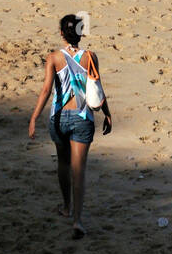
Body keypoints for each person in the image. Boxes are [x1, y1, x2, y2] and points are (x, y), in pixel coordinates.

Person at [28, 14, 112, 239]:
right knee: (79, 171)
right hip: (82, 117)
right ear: (80, 33)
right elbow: (98, 88)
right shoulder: (90, 56)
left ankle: (66, 206)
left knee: (63, 164)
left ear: (62, 33)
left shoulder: (53, 58)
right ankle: (77, 220)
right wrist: (107, 114)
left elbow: (46, 90)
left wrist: (34, 117)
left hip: (59, 117)